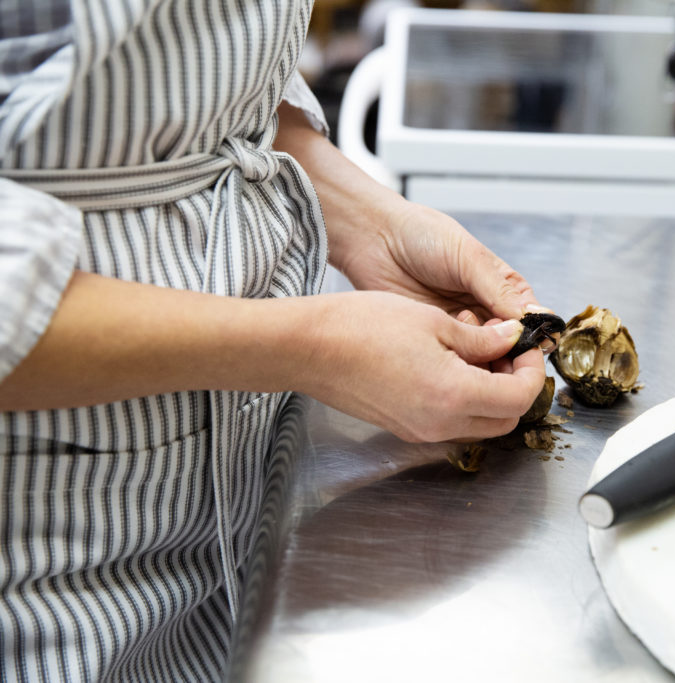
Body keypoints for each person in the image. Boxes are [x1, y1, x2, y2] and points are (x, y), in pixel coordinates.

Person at [0, 1, 551, 679]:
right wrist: (312, 346)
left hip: (246, 527)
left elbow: (211, 75)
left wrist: (367, 222)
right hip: (54, 589)